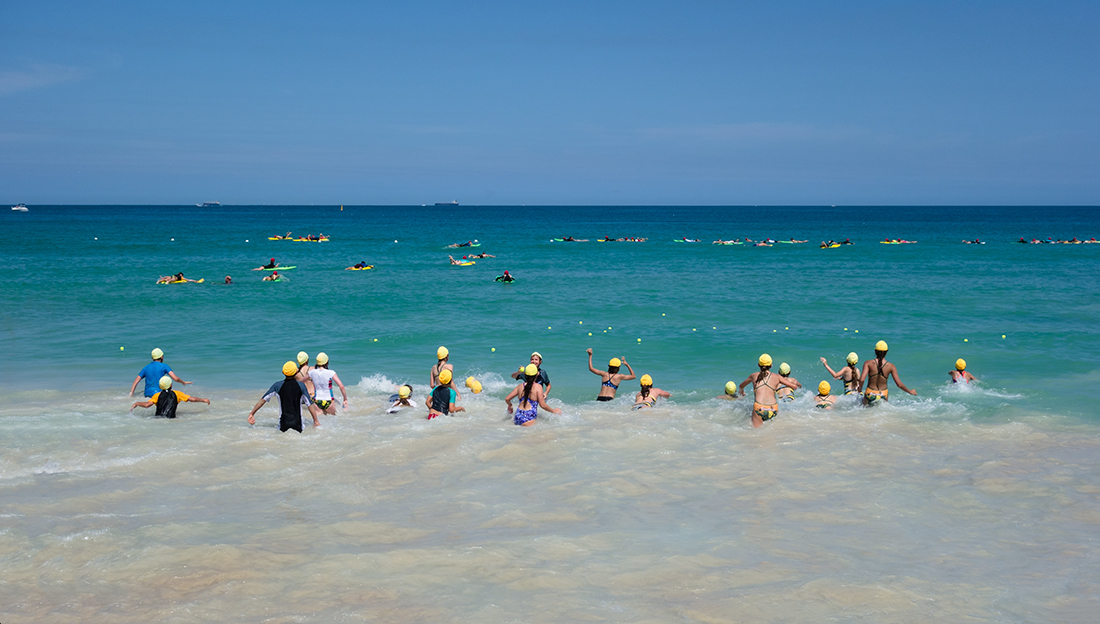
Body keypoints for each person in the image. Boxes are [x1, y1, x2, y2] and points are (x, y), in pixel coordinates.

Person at [247, 361, 322, 431]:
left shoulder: (277, 386)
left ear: (283, 372)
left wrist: (252, 414)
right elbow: (309, 404)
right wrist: (316, 421)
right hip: (298, 426)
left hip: (283, 426)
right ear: (296, 372)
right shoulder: (301, 386)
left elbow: (262, 400)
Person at [738, 354, 801, 427]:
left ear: (758, 365)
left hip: (759, 407)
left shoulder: (754, 376)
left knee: (756, 433)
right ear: (771, 365)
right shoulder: (777, 377)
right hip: (773, 408)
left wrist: (742, 391)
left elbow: (741, 386)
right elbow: (795, 387)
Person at [860, 340, 918, 406]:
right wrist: (910, 391)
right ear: (886, 352)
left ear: (875, 351)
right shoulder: (891, 366)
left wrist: (860, 390)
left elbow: (862, 379)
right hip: (883, 394)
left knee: (865, 413)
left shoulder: (868, 363)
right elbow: (899, 384)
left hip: (870, 393)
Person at [131, 375, 210, 418]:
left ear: (160, 386)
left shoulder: (157, 395)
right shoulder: (177, 393)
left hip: (157, 419)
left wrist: (137, 403)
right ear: (171, 385)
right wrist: (203, 400)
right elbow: (192, 399)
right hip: (171, 421)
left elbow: (147, 405)